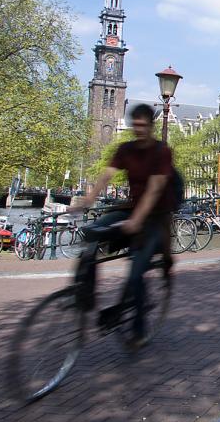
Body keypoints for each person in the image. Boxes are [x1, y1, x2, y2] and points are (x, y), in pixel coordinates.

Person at [73, 104, 174, 350]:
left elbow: (155, 190)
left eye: (143, 126)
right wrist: (88, 198)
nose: (139, 130)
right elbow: (106, 174)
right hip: (130, 208)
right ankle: (84, 293)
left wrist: (138, 220)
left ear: (150, 126)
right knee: (92, 231)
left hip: (154, 217)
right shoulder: (125, 149)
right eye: (135, 125)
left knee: (136, 273)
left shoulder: (162, 152)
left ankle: (138, 330)